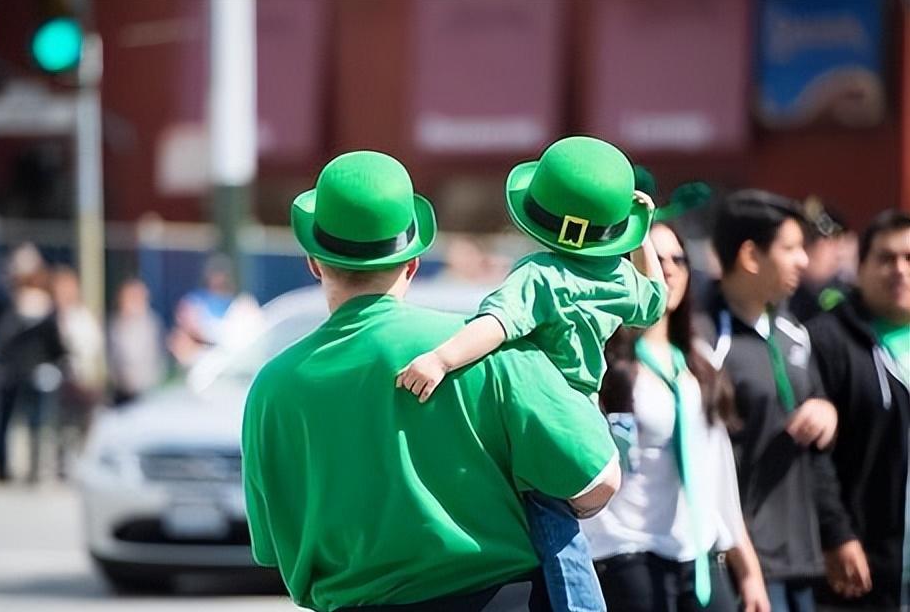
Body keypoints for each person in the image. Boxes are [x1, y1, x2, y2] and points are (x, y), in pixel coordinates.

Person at [242, 150, 621, 612]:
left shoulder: (272, 389)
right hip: (498, 600)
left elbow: (269, 547)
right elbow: (597, 479)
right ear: (413, 262)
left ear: (315, 263)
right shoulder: (489, 348)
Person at [396, 136, 666, 612]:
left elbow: (495, 327)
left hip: (543, 416)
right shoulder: (617, 278)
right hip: (585, 414)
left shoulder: (538, 275)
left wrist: (440, 360)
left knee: (551, 525)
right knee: (558, 519)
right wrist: (642, 237)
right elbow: (655, 302)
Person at [583, 222, 769, 612]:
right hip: (625, 554)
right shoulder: (597, 366)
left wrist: (748, 569)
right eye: (652, 256)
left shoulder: (700, 363)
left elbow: (718, 472)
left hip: (697, 555)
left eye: (678, 259)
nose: (666, 269)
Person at [701, 190, 850, 612]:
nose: (803, 260)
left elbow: (817, 450)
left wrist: (827, 412)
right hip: (740, 571)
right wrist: (743, 565)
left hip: (804, 561)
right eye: (790, 248)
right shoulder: (706, 340)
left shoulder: (794, 331)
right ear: (750, 255)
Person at [805, 210, 910, 611]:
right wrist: (836, 534)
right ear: (860, 267)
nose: (899, 270)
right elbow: (815, 457)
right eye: (886, 258)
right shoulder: (827, 340)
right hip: (860, 567)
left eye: (909, 259)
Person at [0, 244, 66, 483]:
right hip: (23, 373)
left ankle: (16, 469)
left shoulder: (17, 306)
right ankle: (22, 470)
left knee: (23, 422)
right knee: (29, 423)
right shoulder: (17, 306)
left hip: (23, 373)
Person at [50, 266, 105, 477]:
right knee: (62, 427)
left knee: (83, 425)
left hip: (82, 379)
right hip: (59, 379)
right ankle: (62, 465)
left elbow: (91, 345)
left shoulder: (81, 316)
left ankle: (80, 463)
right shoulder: (51, 316)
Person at [108, 278, 166, 405]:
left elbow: (158, 357)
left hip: (147, 390)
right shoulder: (115, 325)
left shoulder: (152, 324)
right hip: (121, 391)